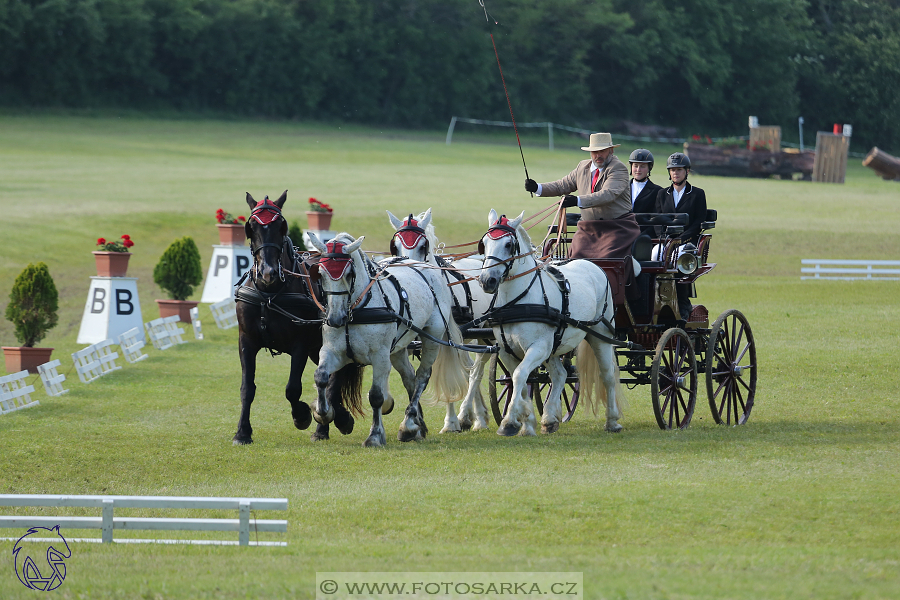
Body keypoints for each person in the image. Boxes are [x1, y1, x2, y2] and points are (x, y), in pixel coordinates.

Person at [524, 132, 639, 266]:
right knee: (573, 262)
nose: (598, 155)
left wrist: (577, 201)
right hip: (588, 229)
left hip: (617, 229)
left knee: (605, 263)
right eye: (594, 151)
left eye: (602, 151)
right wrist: (537, 187)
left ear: (611, 151)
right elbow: (562, 185)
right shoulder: (582, 167)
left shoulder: (618, 168)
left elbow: (608, 194)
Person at [655, 152, 707, 321]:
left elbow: (699, 221)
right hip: (666, 239)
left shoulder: (698, 194)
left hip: (687, 241)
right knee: (655, 255)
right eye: (672, 170)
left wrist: (682, 239)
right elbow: (656, 219)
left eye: (679, 170)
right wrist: (663, 237)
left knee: (679, 260)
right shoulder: (662, 194)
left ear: (687, 171)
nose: (675, 173)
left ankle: (683, 306)